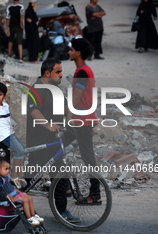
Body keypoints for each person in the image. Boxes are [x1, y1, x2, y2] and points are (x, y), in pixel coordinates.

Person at [26, 58, 80, 223]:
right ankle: (12, 198)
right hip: (39, 141)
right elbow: (34, 111)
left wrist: (71, 119)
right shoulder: (34, 90)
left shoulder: (56, 90)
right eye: (58, 72)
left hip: (55, 141)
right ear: (47, 73)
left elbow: (66, 108)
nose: (61, 75)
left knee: (60, 175)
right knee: (31, 178)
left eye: (61, 71)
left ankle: (61, 211)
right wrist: (48, 125)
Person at [65, 38, 101, 205]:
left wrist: (67, 114)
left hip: (83, 120)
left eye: (71, 50)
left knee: (88, 158)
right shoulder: (84, 70)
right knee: (60, 145)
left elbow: (77, 97)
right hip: (82, 119)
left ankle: (95, 195)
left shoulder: (82, 72)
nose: (69, 52)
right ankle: (64, 185)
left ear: (78, 53)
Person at [0, 156, 44, 225]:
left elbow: (11, 186)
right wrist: (10, 198)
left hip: (15, 194)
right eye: (6, 169)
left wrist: (19, 191)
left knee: (29, 197)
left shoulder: (4, 177)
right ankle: (29, 218)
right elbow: (1, 191)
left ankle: (33, 215)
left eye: (8, 169)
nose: (8, 171)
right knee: (25, 200)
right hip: (8, 197)